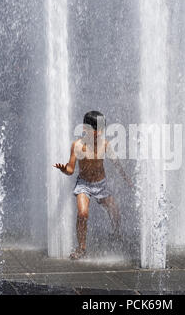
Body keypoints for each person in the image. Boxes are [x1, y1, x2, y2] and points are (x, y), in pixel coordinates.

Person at [54, 111, 133, 260]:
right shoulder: (77, 146)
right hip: (84, 184)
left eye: (102, 130)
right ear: (86, 129)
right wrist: (64, 169)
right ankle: (81, 248)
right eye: (97, 131)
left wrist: (127, 179)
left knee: (115, 210)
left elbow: (116, 164)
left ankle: (116, 234)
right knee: (83, 213)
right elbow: (71, 170)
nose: (100, 134)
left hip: (101, 184)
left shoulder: (105, 144)